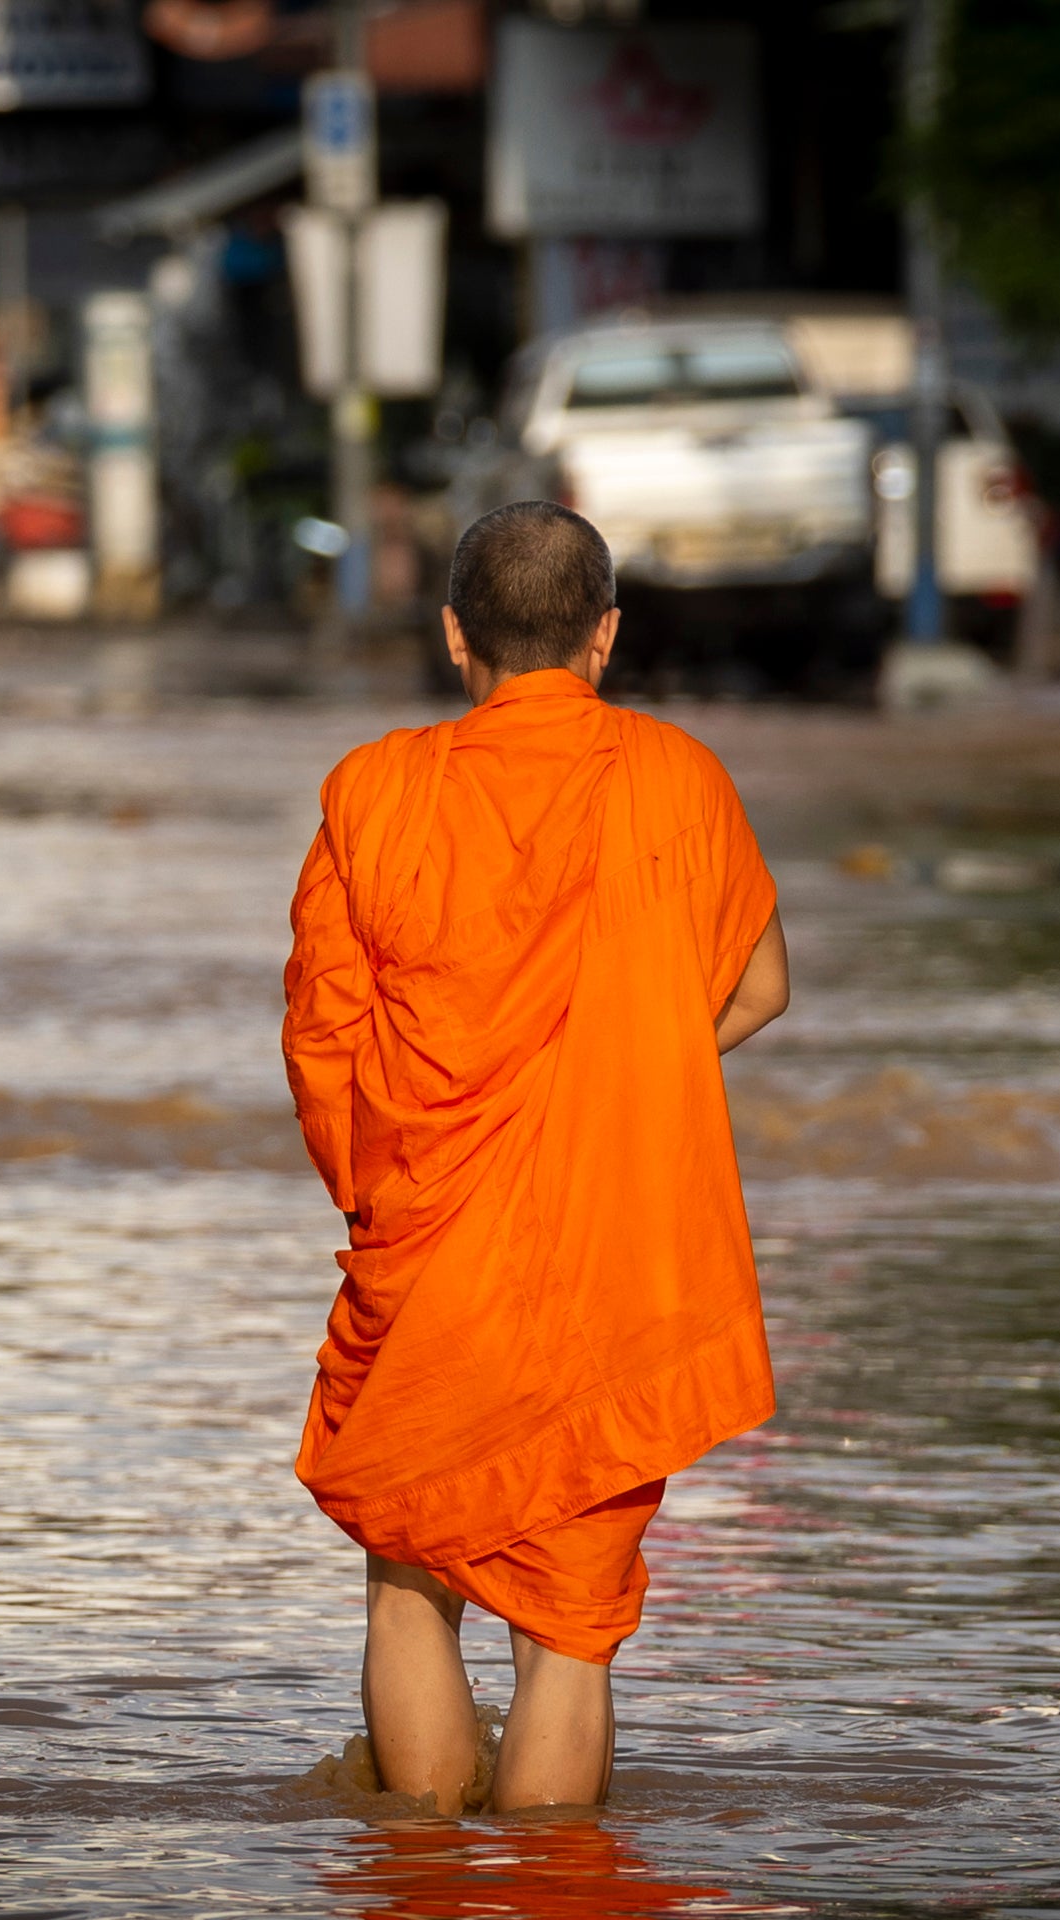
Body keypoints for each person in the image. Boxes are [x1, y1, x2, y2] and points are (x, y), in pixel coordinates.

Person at [281, 501, 790, 1815]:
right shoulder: (677, 776)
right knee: (570, 1619)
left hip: (432, 1244)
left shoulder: (373, 788)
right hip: (614, 1255)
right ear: (605, 635)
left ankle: (422, 1895)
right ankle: (563, 1908)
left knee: (409, 1575)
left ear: (455, 636)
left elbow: (324, 1037)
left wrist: (381, 1174)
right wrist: (620, 1085)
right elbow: (759, 986)